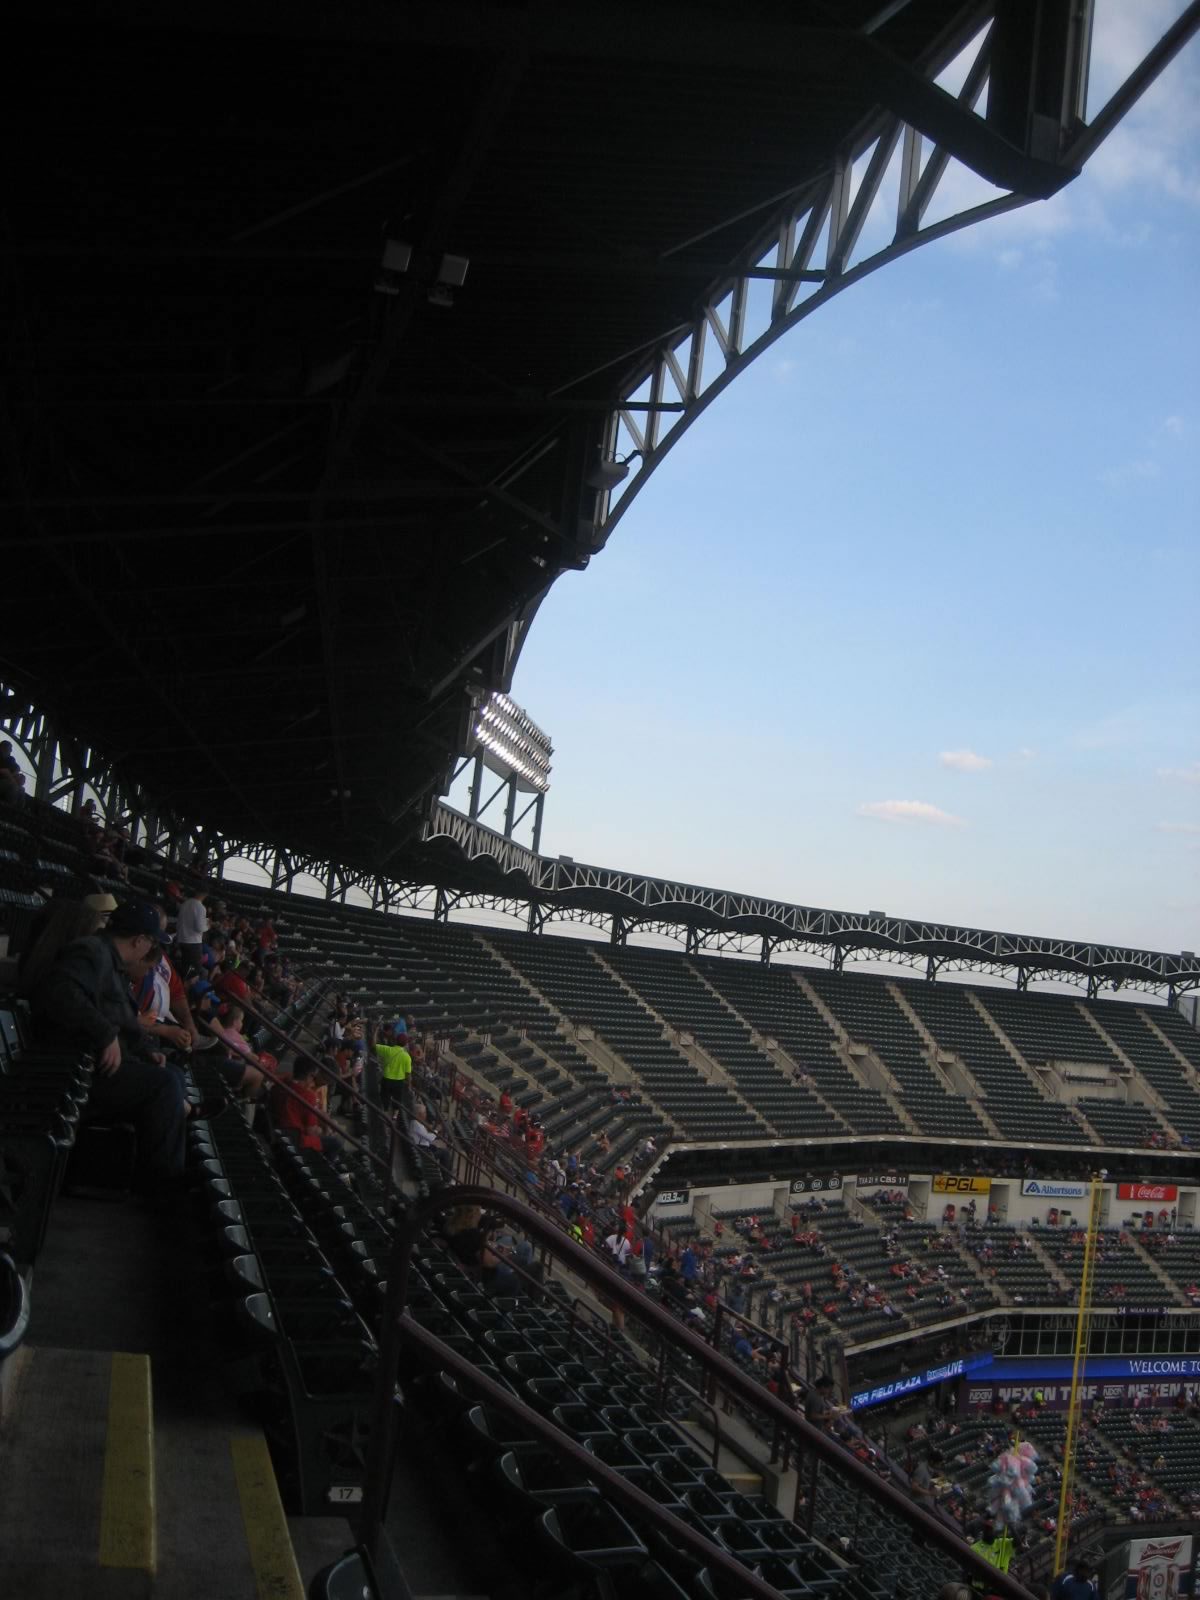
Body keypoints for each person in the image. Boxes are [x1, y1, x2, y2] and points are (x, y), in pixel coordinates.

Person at [29, 899, 189, 1187]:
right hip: (80, 1073)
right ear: (140, 940)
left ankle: (169, 1164)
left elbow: (123, 1019)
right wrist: (105, 1034)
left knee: (173, 1074)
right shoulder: (91, 952)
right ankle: (164, 1181)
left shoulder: (108, 960)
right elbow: (60, 991)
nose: (151, 949)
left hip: (100, 1066)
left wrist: (146, 1051)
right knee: (165, 1085)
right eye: (151, 942)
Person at [175, 885, 209, 973]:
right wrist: (208, 926)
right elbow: (200, 928)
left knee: (185, 967)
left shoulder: (185, 903)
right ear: (205, 895)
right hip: (193, 943)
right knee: (193, 972)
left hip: (182, 940)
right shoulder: (200, 907)